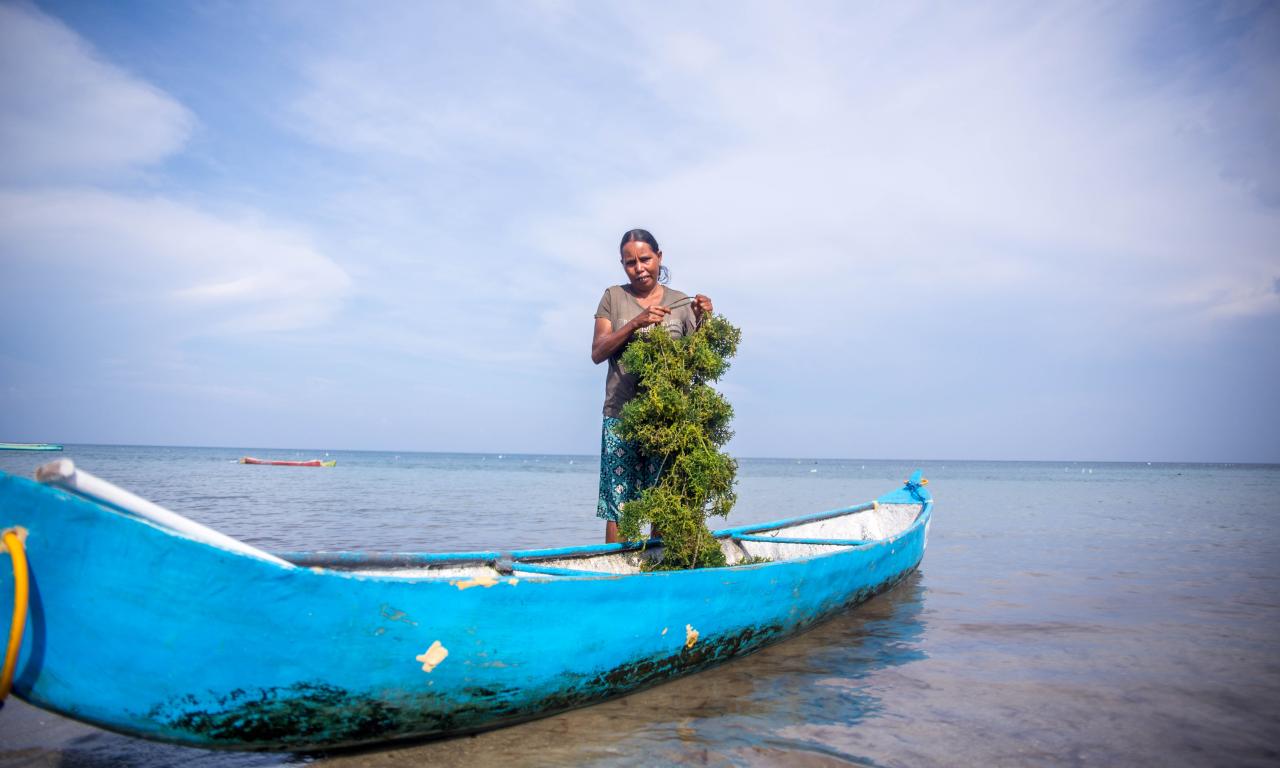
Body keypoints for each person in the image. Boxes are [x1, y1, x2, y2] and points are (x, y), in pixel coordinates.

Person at [591, 229, 713, 543]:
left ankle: (655, 566)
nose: (639, 267)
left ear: (659, 257)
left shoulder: (681, 302)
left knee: (662, 499)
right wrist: (635, 323)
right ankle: (614, 571)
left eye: (645, 259)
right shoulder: (613, 298)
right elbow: (598, 351)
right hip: (621, 414)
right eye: (630, 262)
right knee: (619, 503)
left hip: (665, 419)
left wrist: (703, 321)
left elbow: (696, 360)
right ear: (623, 265)